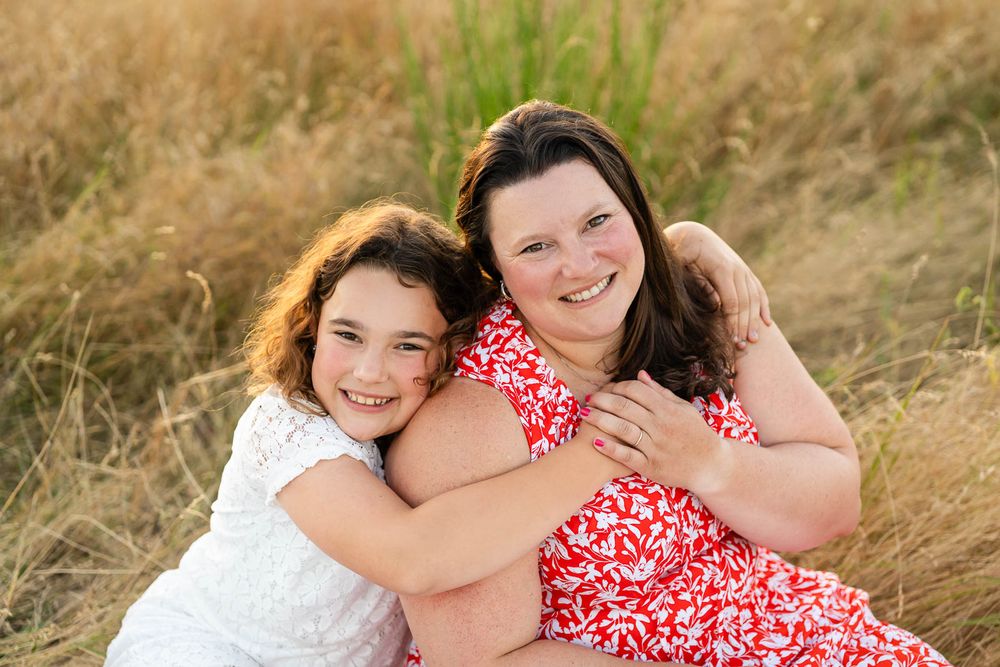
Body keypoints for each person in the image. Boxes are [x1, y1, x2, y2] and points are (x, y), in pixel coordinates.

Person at [386, 101, 951, 666]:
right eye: (536, 247)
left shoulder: (699, 299)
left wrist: (711, 462)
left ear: (636, 213)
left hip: (784, 630)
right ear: (495, 269)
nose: (581, 264)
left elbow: (835, 506)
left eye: (597, 221)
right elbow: (485, 661)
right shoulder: (472, 422)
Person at [105, 201, 764, 666]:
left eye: (408, 344)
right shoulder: (289, 426)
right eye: (348, 334)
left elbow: (549, 282)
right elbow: (413, 557)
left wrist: (689, 242)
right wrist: (604, 447)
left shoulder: (432, 413)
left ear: (452, 349)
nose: (370, 370)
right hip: (214, 647)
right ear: (310, 326)